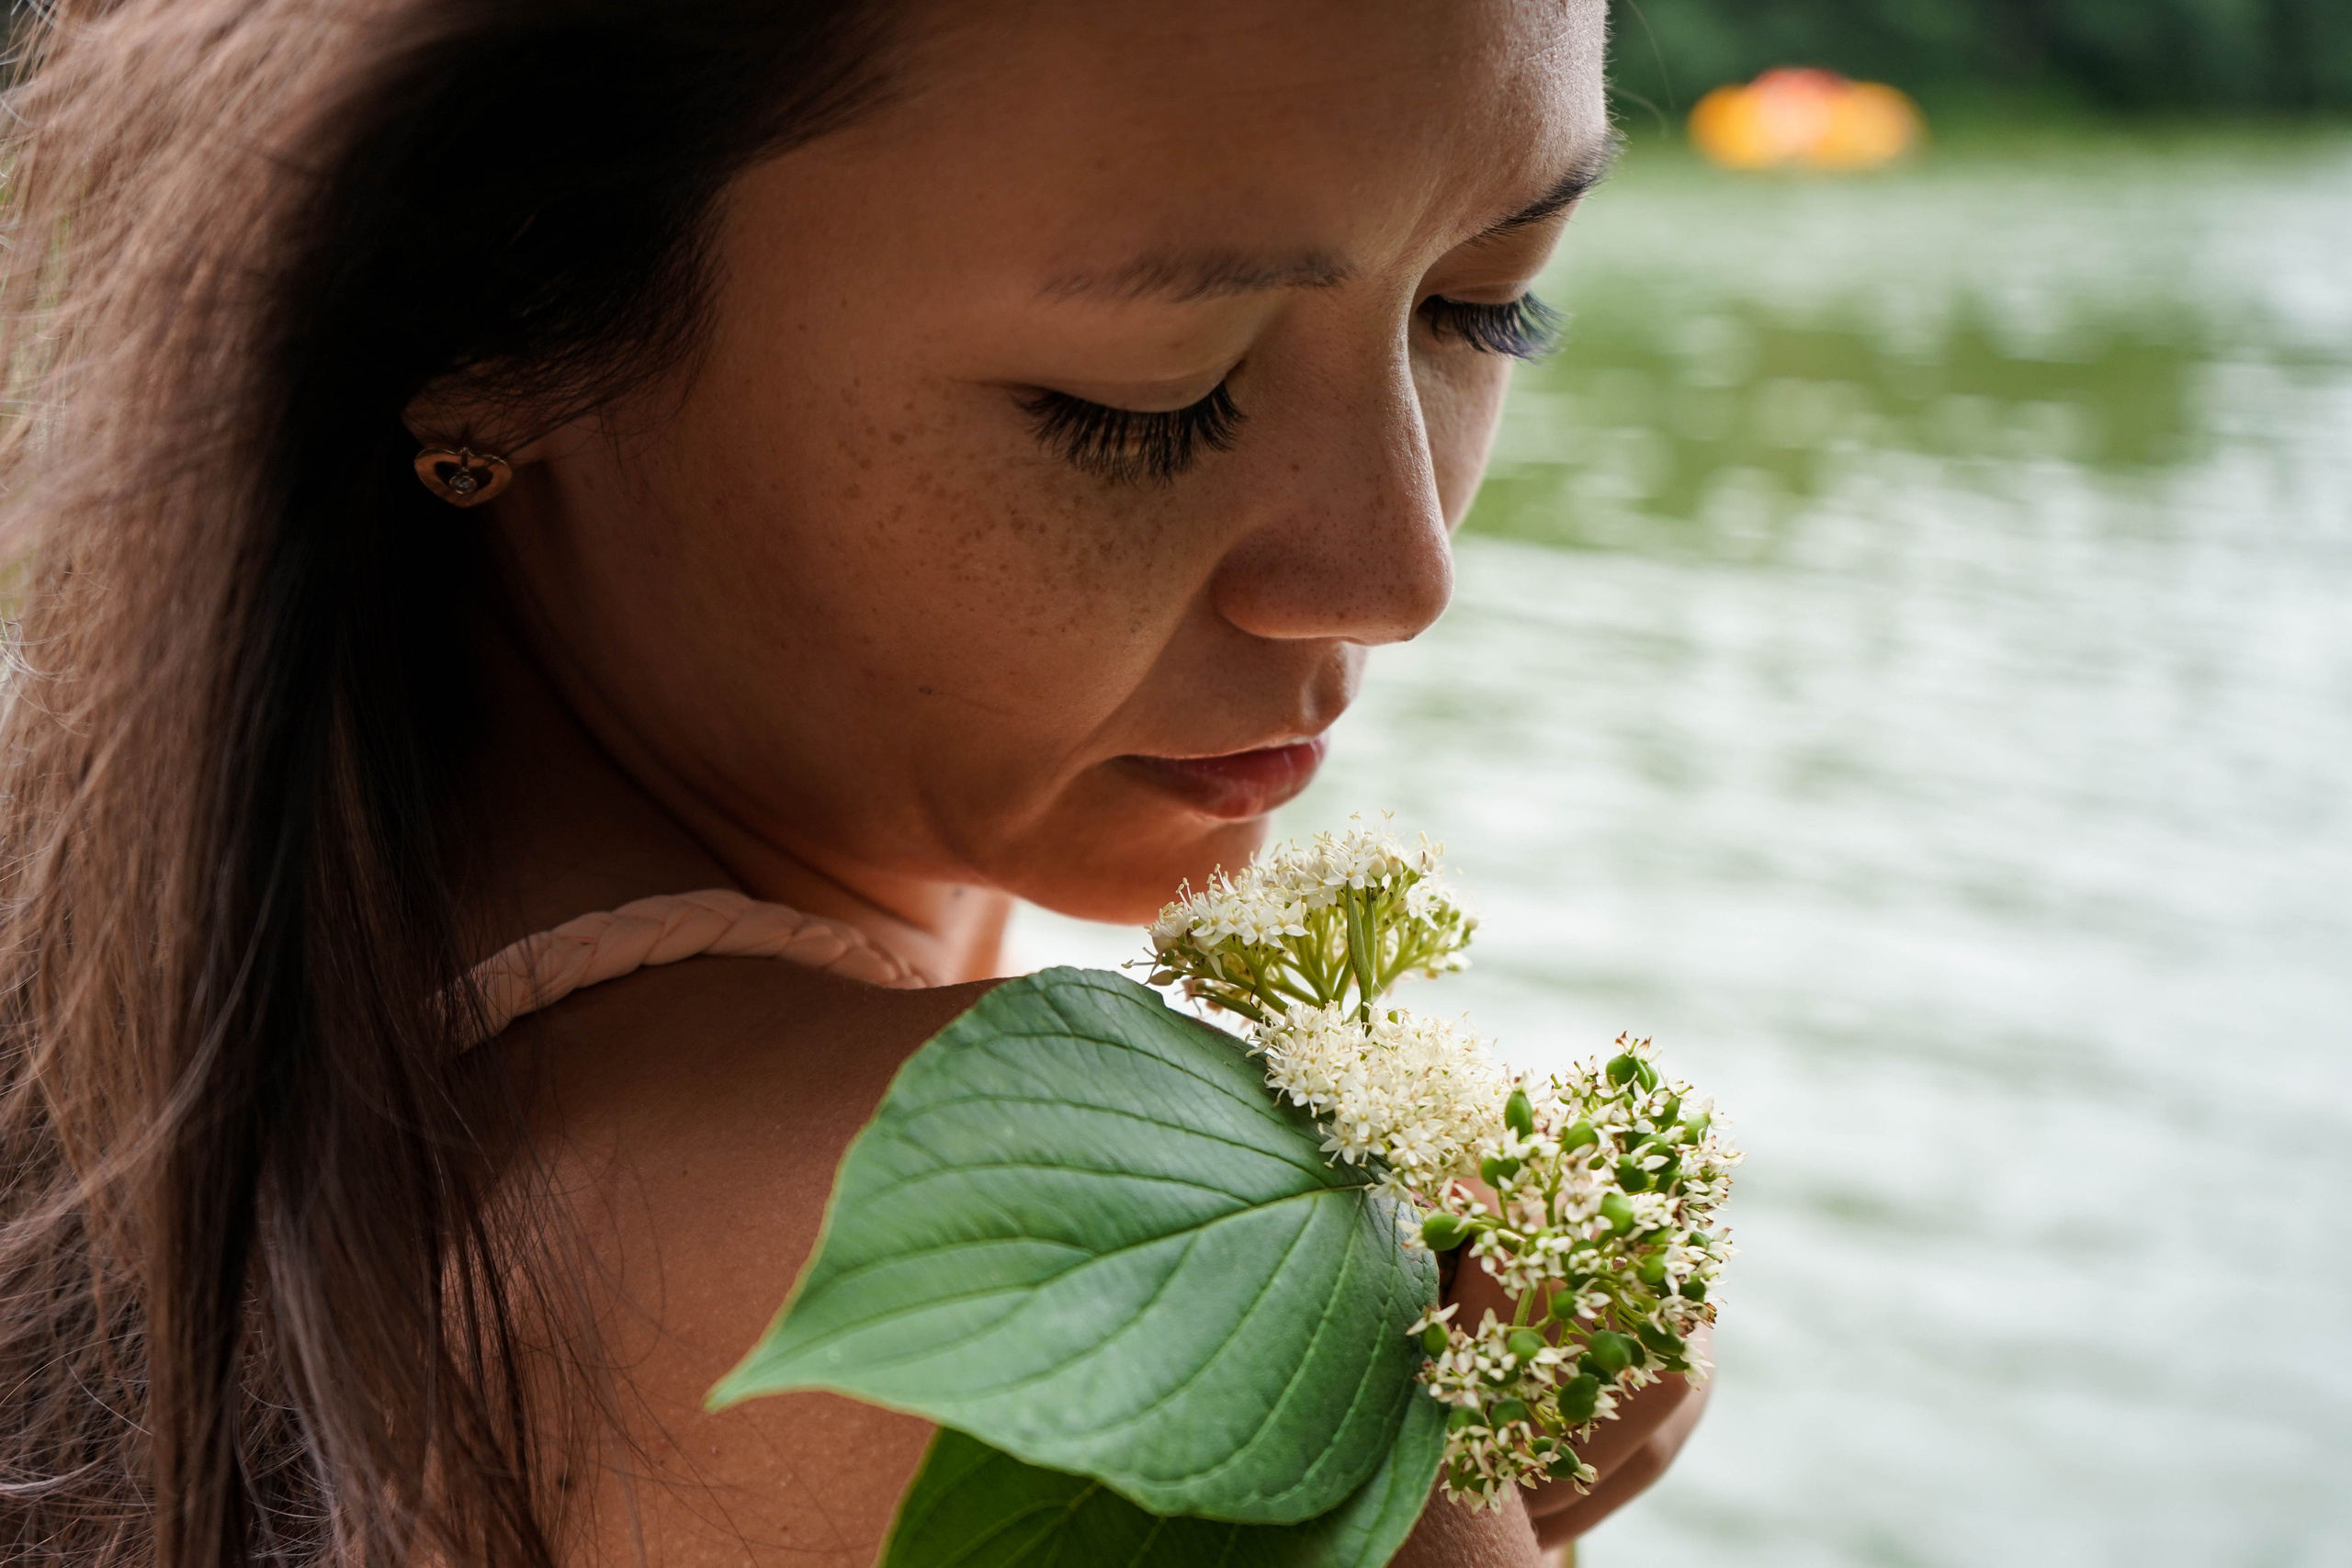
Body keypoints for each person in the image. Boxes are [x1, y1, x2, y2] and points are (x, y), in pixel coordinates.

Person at [0, 0, 1704, 1562]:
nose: (1399, 575)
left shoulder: (119, 953)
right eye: (1144, 402)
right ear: (485, 305)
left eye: (1490, 304)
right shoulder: (1091, 1386)